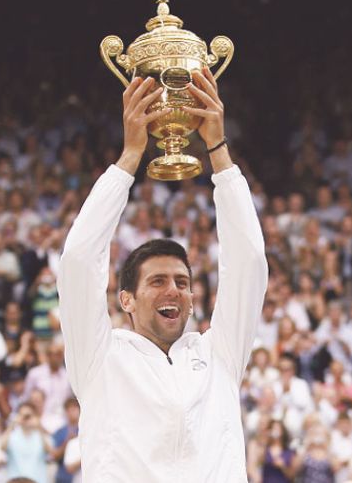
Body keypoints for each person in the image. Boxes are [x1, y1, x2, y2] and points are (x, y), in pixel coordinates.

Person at [57, 69, 268, 482]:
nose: (173, 289)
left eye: (182, 282)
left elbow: (250, 260)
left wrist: (218, 150)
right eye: (157, 281)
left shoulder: (219, 355)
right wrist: (130, 157)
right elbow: (79, 261)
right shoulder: (100, 356)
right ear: (126, 300)